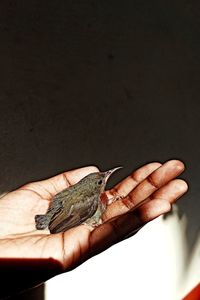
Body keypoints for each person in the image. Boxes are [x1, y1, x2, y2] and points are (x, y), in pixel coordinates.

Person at [0, 159, 188, 298]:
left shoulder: (91, 194)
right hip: (61, 216)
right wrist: (55, 225)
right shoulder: (90, 199)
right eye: (101, 181)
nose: (106, 177)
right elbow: (73, 217)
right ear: (94, 187)